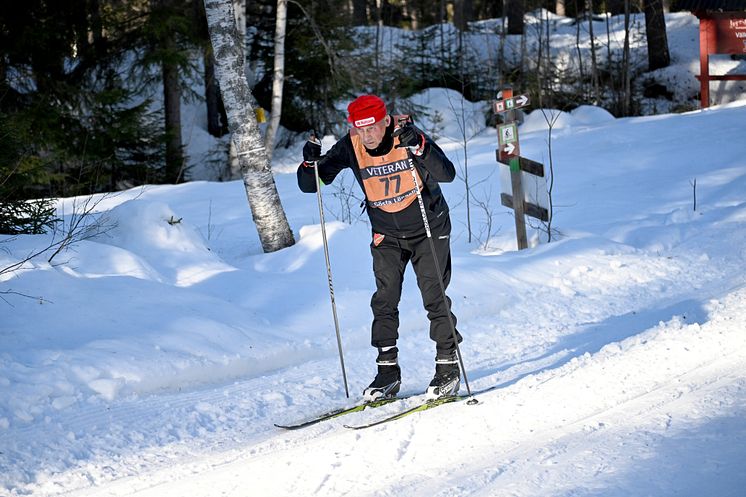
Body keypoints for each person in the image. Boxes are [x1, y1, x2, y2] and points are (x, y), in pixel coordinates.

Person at [297, 94, 462, 401]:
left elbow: (447, 174)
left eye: (372, 127)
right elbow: (313, 184)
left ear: (385, 121)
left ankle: (447, 365)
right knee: (384, 300)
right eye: (360, 129)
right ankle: (387, 371)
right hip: (386, 232)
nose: (367, 135)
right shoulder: (352, 145)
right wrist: (309, 162)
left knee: (434, 294)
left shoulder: (407, 135)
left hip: (428, 226)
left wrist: (420, 147)